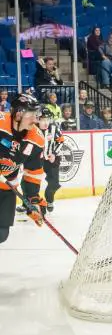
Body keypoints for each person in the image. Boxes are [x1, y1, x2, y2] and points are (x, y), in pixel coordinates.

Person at [0, 94, 45, 244]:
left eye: (37, 115)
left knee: (2, 234)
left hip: (7, 186)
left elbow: (33, 171)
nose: (36, 120)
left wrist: (32, 200)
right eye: (32, 115)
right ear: (18, 114)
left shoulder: (36, 139)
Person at [38, 107, 63, 212]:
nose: (46, 122)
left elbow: (61, 141)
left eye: (48, 119)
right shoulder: (33, 128)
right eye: (43, 119)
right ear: (38, 119)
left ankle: (49, 200)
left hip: (52, 158)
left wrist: (54, 153)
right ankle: (28, 203)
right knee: (30, 182)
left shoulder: (54, 127)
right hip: (37, 159)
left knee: (54, 183)